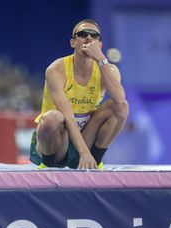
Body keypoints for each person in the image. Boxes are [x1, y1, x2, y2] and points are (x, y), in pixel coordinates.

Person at [30, 19, 129, 169]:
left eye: (94, 35)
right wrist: (83, 152)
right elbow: (68, 117)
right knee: (52, 118)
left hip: (86, 135)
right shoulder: (56, 70)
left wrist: (101, 60)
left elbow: (120, 101)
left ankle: (95, 160)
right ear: (73, 42)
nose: (89, 38)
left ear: (100, 45)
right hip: (58, 139)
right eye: (82, 34)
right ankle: (49, 165)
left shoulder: (110, 70)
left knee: (121, 107)